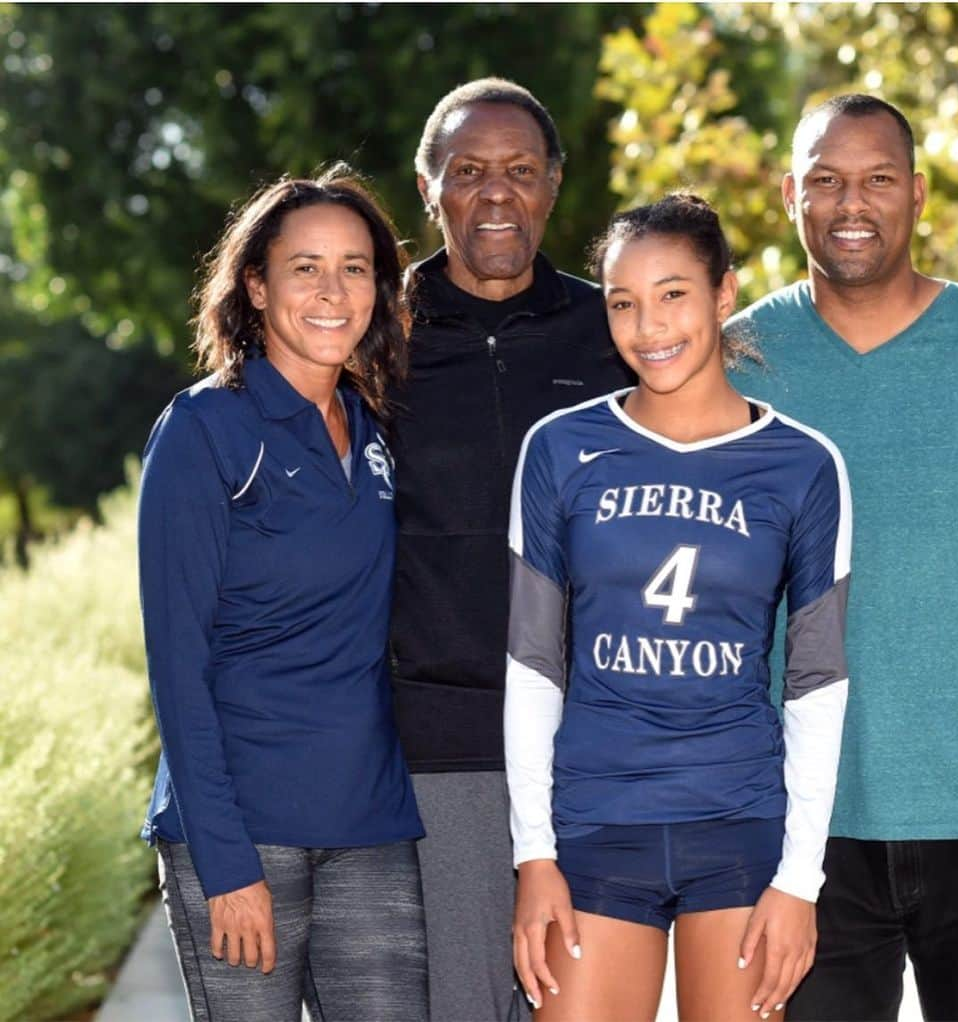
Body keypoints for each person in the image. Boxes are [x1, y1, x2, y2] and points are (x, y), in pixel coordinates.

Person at [726, 94, 958, 1021]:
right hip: (802, 827)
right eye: (827, 180)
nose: (853, 203)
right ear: (789, 193)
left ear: (918, 194)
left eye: (879, 179)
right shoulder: (735, 366)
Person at [505, 193, 852, 1022]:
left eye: (673, 295)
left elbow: (816, 687)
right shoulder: (560, 449)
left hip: (736, 824)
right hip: (593, 823)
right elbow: (531, 666)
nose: (648, 325)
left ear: (724, 294)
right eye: (623, 303)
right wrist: (533, 856)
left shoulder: (804, 466)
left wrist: (799, 880)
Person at [137, 166, 428, 1022]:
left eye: (355, 266)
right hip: (240, 828)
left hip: (370, 820)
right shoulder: (204, 427)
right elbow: (177, 665)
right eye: (305, 268)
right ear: (257, 286)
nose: (333, 292)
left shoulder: (372, 429)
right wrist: (227, 867)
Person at [388, 77, 634, 1022]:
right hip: (440, 748)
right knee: (466, 1003)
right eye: (469, 171)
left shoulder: (610, 329)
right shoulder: (377, 333)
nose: (497, 193)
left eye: (520, 171)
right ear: (428, 187)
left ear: (555, 185)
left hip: (594, 744)